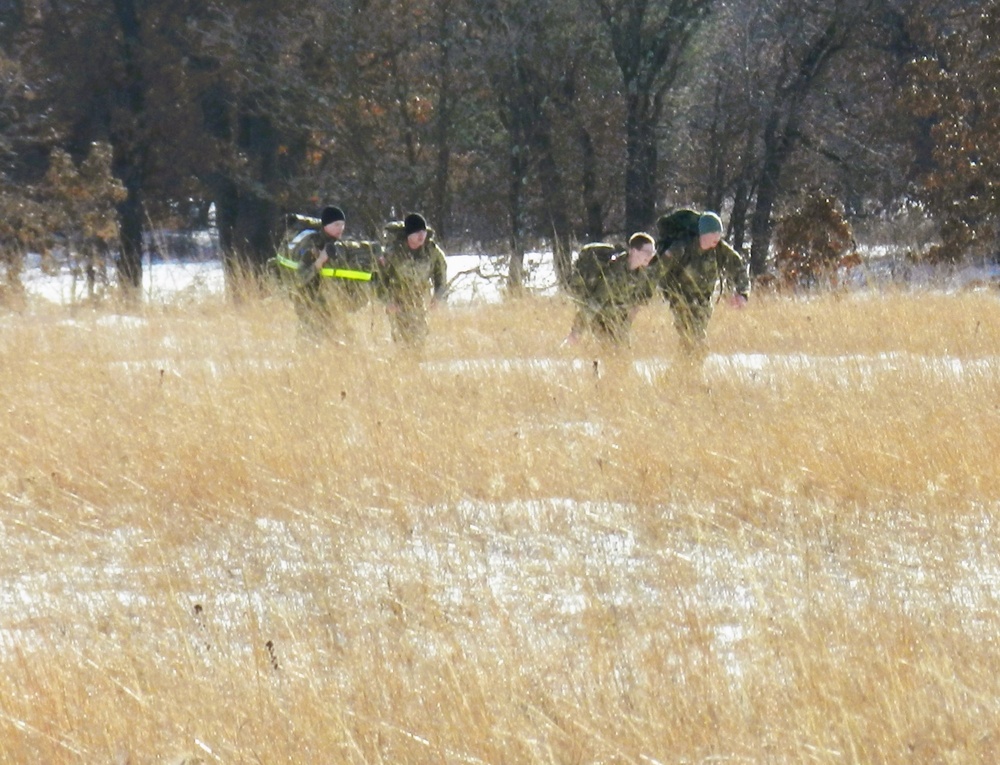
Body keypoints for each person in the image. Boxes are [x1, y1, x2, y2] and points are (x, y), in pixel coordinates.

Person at [655, 210, 750, 359]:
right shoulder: (681, 248)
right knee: (696, 342)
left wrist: (742, 293)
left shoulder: (719, 249)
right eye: (714, 233)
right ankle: (686, 375)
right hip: (680, 300)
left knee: (691, 344)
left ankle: (677, 377)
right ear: (703, 233)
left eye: (719, 233)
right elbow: (657, 271)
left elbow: (738, 267)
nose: (717, 237)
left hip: (704, 303)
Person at [284, 205, 378, 338]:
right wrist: (319, 262)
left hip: (332, 306)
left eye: (342, 225)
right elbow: (300, 278)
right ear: (326, 225)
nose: (340, 228)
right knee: (310, 342)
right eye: (336, 224)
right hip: (309, 304)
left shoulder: (340, 246)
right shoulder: (312, 245)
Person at [564, 232, 658, 346]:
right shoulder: (615, 273)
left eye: (652, 252)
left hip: (618, 321)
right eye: (647, 252)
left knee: (621, 353)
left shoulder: (642, 275)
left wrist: (624, 328)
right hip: (600, 318)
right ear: (633, 251)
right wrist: (576, 333)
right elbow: (594, 303)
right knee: (609, 350)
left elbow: (636, 305)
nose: (650, 256)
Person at [375, 212, 447, 345]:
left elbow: (441, 276)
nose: (421, 235)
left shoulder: (432, 251)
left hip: (419, 301)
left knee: (419, 338)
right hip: (398, 302)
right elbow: (379, 279)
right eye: (416, 232)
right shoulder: (393, 253)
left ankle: (414, 361)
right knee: (401, 339)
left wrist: (437, 296)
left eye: (423, 231)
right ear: (408, 234)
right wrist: (388, 302)